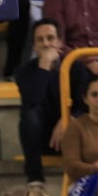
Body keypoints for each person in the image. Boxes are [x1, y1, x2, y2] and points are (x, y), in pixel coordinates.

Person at [15, 17, 65, 185]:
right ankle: (35, 178)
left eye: (50, 38)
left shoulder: (74, 67)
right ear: (34, 46)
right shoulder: (24, 72)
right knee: (30, 115)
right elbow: (32, 101)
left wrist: (66, 119)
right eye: (40, 40)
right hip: (42, 137)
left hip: (71, 132)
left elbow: (84, 105)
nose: (46, 44)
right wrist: (44, 66)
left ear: (59, 42)